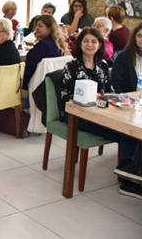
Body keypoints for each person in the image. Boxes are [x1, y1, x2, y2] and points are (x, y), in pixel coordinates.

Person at [60, 28, 141, 199]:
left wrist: (112, 101)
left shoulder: (103, 65)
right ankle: (128, 172)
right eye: (86, 41)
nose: (90, 45)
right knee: (126, 132)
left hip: (99, 113)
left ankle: (127, 171)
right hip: (76, 115)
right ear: (80, 44)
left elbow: (109, 92)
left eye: (94, 41)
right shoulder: (71, 66)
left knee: (130, 130)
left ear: (99, 45)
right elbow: (65, 97)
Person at [23, 15, 70, 88]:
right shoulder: (58, 44)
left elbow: (29, 68)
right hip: (54, 84)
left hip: (37, 85)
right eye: (36, 26)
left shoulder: (43, 46)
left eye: (40, 26)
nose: (36, 28)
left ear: (49, 29)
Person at [111, 23, 142, 94]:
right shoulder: (123, 57)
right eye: (140, 36)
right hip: (127, 100)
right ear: (134, 37)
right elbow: (115, 83)